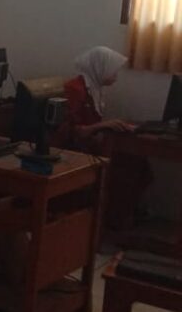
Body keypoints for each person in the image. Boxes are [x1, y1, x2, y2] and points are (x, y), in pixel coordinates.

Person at [59, 46, 149, 229]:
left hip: (91, 145)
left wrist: (111, 126)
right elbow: (72, 131)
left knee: (141, 165)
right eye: (113, 70)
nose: (116, 76)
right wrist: (103, 125)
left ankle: (120, 216)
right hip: (77, 150)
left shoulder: (95, 88)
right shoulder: (75, 89)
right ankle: (111, 222)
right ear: (100, 67)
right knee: (128, 169)